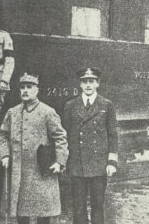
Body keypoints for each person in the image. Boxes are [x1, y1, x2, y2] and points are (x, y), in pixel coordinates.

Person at [0, 72, 68, 224]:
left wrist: (59, 162)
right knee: (21, 214)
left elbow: (61, 138)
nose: (25, 91)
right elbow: (2, 135)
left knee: (43, 213)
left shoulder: (47, 112)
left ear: (37, 90)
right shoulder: (13, 112)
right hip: (19, 173)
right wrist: (4, 155)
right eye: (22, 87)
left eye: (29, 87)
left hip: (41, 172)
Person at [62, 67, 118, 224]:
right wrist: (64, 160)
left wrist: (112, 162)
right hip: (77, 164)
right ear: (80, 85)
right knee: (78, 206)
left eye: (91, 81)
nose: (88, 85)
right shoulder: (70, 105)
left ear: (97, 84)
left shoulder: (106, 105)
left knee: (98, 206)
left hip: (99, 165)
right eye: (84, 82)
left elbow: (113, 135)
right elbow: (65, 135)